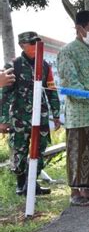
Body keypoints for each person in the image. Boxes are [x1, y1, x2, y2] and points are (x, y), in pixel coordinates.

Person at [57, 10, 89, 206]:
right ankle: (75, 193)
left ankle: (88, 190)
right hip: (79, 114)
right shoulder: (67, 51)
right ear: (79, 28)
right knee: (78, 152)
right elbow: (72, 86)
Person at [0, 31, 60, 195]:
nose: (36, 47)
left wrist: (56, 115)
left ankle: (32, 185)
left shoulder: (45, 65)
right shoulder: (13, 66)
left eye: (37, 43)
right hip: (19, 119)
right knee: (19, 151)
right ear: (22, 45)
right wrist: (3, 120)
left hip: (40, 117)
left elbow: (52, 91)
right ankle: (21, 185)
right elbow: (5, 94)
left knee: (39, 150)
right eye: (31, 43)